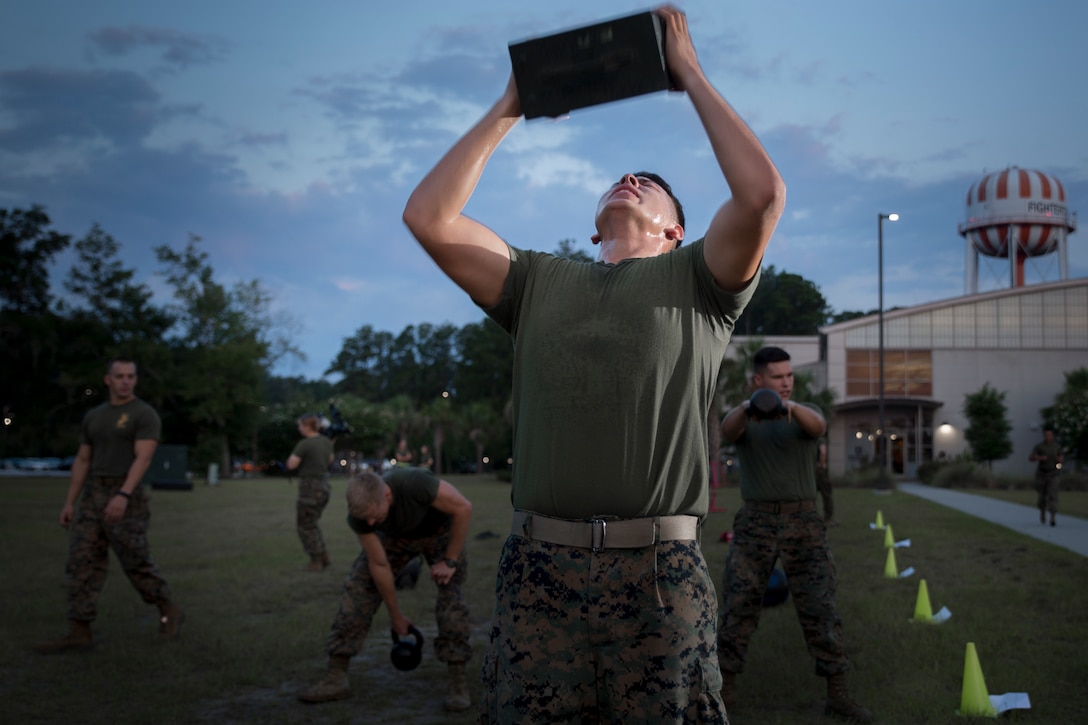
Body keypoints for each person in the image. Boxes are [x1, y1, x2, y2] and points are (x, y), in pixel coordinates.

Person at [402, 6, 784, 721]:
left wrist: (688, 74)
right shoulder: (538, 280)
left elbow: (761, 195)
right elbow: (429, 218)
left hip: (659, 575)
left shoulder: (701, 281)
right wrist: (514, 103)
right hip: (537, 570)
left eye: (650, 183)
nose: (631, 175)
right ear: (591, 223)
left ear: (675, 229)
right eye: (620, 176)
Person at [718, 346, 872, 722]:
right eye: (777, 377)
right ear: (758, 380)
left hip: (803, 523)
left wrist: (787, 406)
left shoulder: (804, 414)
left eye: (789, 376)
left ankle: (837, 693)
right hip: (755, 522)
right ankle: (724, 691)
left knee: (820, 607)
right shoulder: (746, 419)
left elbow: (817, 427)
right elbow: (726, 430)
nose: (786, 382)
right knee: (739, 606)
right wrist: (750, 405)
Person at [35, 357, 183, 654]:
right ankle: (79, 629)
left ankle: (169, 610)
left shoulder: (144, 414)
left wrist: (124, 495)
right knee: (82, 560)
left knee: (135, 560)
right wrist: (69, 502)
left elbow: (143, 458)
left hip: (126, 493)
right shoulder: (94, 416)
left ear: (136, 380)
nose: (125, 381)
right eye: (119, 376)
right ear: (108, 380)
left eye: (130, 376)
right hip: (93, 494)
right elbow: (83, 459)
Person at [298, 469, 474, 712]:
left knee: (450, 595)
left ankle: (457, 680)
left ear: (387, 495)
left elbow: (463, 508)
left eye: (373, 516)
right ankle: (336, 676)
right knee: (359, 588)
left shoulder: (414, 484)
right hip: (394, 538)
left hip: (439, 533)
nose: (369, 523)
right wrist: (396, 616)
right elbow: (379, 565)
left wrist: (450, 561)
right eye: (365, 520)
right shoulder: (362, 516)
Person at [285, 413, 335, 571]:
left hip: (310, 488)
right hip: (324, 487)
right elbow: (330, 460)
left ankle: (316, 560)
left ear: (307, 426)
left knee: (305, 525)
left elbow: (291, 465)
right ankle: (324, 556)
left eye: (300, 425)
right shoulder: (326, 442)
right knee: (312, 523)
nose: (299, 428)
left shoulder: (305, 444)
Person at [1029, 427, 1063, 526]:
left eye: (1050, 435)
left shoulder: (1056, 447)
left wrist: (1059, 464)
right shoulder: (1039, 446)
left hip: (1053, 474)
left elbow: (1060, 460)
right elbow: (1031, 458)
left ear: (1052, 436)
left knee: (1053, 496)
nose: (1048, 437)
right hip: (1042, 474)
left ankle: (1053, 517)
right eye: (1046, 435)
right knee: (1042, 496)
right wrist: (1039, 458)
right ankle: (1042, 512)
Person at [815, 439, 838, 526]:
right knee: (827, 493)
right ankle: (828, 518)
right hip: (819, 471)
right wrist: (822, 465)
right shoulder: (820, 439)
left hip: (811, 470)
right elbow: (823, 451)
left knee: (812, 494)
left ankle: (812, 517)